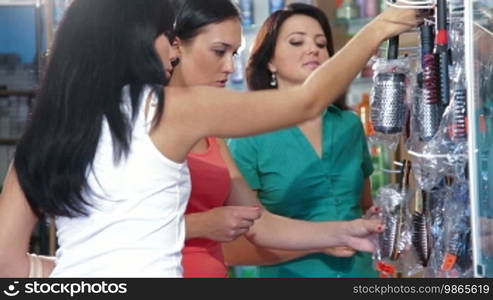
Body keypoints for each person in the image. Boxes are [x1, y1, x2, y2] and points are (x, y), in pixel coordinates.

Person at [0, 0, 421, 277]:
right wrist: (381, 25)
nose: (173, 52)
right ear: (137, 41)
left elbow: (7, 262)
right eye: (168, 38)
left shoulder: (44, 135)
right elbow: (307, 101)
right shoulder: (167, 108)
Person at [171, 0, 379, 278]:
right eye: (219, 51)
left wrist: (345, 231)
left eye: (233, 54)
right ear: (174, 46)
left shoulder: (212, 131)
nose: (230, 67)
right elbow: (113, 223)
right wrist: (381, 27)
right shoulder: (144, 120)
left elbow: (261, 225)